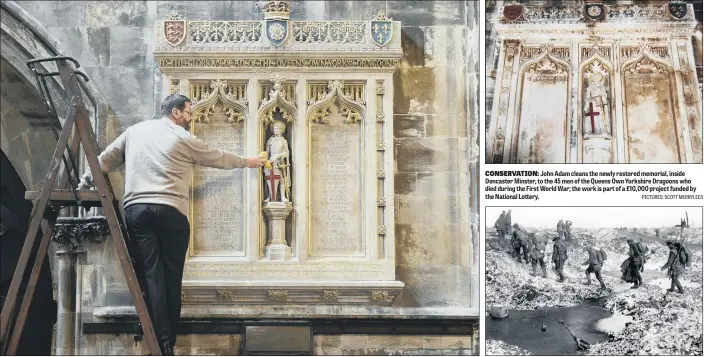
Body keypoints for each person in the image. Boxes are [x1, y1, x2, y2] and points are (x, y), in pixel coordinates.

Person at [78, 94, 266, 355]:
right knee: (171, 278)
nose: (190, 119)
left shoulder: (135, 131)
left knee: (150, 274)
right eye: (188, 113)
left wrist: (85, 180)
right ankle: (166, 344)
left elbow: (105, 160)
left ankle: (152, 331)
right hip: (170, 210)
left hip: (137, 210)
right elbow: (216, 157)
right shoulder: (182, 137)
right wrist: (248, 162)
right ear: (176, 113)